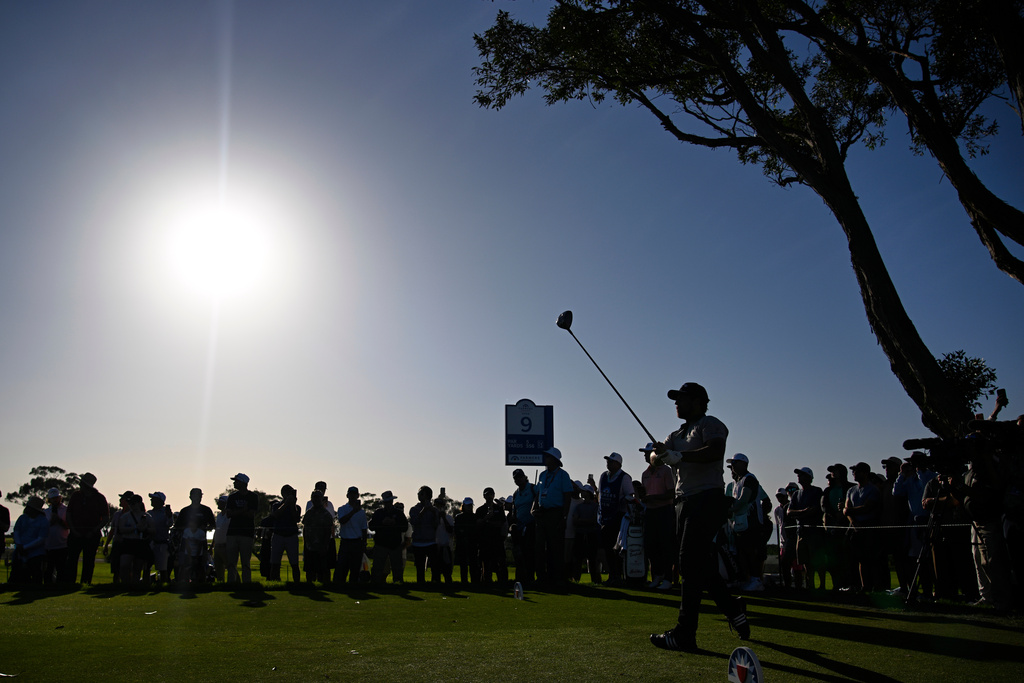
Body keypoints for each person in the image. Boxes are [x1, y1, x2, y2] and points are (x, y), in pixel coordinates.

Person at [649, 382, 748, 652]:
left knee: (687, 560)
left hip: (707, 499)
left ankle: (685, 633)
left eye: (681, 399)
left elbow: (715, 451)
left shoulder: (710, 424)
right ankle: (733, 609)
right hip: (684, 504)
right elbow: (654, 456)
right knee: (700, 564)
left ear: (699, 401)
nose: (676, 404)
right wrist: (659, 455)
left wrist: (679, 456)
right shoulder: (676, 433)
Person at [533, 447, 574, 589]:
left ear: (555, 460)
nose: (545, 459)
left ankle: (557, 578)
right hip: (542, 513)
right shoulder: (542, 475)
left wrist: (564, 517)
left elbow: (567, 496)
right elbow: (538, 494)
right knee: (540, 547)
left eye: (548, 457)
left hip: (556, 513)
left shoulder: (563, 475)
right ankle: (542, 578)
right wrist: (535, 507)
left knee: (555, 547)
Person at [725, 453, 765, 592]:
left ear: (743, 464)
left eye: (735, 463)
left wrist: (730, 510)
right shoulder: (738, 481)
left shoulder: (750, 479)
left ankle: (756, 579)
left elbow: (743, 500)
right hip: (741, 523)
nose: (733, 466)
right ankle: (748, 579)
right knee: (743, 552)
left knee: (751, 552)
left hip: (751, 522)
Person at [640, 443, 675, 590]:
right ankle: (656, 576)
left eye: (647, 453)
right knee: (650, 546)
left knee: (665, 546)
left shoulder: (666, 471)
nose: (645, 455)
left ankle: (668, 578)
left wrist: (654, 498)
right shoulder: (645, 473)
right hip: (650, 512)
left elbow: (671, 493)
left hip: (664, 511)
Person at [596, 452, 634, 587]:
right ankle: (613, 575)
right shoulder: (603, 476)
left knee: (616, 549)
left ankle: (618, 576)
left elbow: (630, 496)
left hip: (619, 517)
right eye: (608, 461)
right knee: (607, 548)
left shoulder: (624, 478)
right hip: (605, 518)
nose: (608, 463)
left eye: (611, 461)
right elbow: (600, 496)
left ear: (618, 464)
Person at [64, 472, 109, 585]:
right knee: (71, 560)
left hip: (92, 536)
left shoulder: (99, 498)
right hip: (75, 534)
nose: (79, 485)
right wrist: (73, 530)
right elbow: (69, 514)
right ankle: (70, 582)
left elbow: (105, 518)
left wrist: (93, 531)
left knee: (89, 560)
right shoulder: (76, 496)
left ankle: (85, 582)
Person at [844, 462, 881, 591]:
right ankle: (859, 585)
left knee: (869, 559)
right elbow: (846, 509)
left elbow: (867, 508)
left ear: (865, 473)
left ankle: (872, 586)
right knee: (856, 559)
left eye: (857, 471)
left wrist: (850, 511)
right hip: (854, 527)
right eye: (854, 471)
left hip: (868, 527)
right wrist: (853, 522)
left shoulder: (873, 490)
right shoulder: (851, 490)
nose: (854, 473)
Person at [788, 467, 825, 590]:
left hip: (814, 531)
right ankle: (810, 585)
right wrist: (803, 511)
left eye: (802, 475)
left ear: (809, 477)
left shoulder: (816, 491)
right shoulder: (796, 494)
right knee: (805, 561)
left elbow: (814, 510)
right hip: (802, 530)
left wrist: (799, 513)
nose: (799, 477)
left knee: (817, 560)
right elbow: (789, 512)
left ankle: (822, 585)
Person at [822, 463, 854, 591]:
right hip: (832, 528)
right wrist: (834, 514)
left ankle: (850, 584)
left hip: (847, 527)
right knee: (833, 559)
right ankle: (837, 584)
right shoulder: (828, 490)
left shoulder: (850, 487)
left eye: (835, 471)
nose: (832, 474)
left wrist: (844, 515)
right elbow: (824, 506)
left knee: (848, 558)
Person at [225, 473, 259, 584]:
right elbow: (228, 514)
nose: (234, 483)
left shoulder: (253, 497)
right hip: (232, 533)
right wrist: (243, 511)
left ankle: (246, 584)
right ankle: (231, 584)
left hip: (246, 533)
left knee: (245, 563)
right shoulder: (232, 497)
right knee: (231, 563)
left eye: (236, 481)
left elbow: (251, 514)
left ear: (243, 483)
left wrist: (237, 512)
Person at [369, 491, 407, 585]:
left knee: (397, 567)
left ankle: (398, 584)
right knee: (377, 567)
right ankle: (375, 584)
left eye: (390, 501)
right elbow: (371, 526)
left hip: (395, 545)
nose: (388, 504)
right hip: (381, 544)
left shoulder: (399, 514)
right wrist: (382, 522)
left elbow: (405, 527)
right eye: (386, 502)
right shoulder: (378, 513)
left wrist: (395, 523)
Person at [11, 496, 49, 584]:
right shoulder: (22, 518)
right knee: (18, 572)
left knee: (35, 572)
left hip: (36, 552)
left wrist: (25, 547)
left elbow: (41, 539)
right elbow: (16, 531)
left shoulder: (43, 521)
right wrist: (19, 545)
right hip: (20, 550)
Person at [335, 486, 368, 585]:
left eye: (354, 494)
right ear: (347, 495)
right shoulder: (342, 509)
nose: (352, 496)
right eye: (351, 494)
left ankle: (353, 586)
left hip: (357, 542)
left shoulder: (362, 513)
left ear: (357, 496)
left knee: (355, 568)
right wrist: (354, 511)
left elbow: (364, 529)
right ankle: (340, 586)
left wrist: (364, 543)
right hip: (345, 541)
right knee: (342, 567)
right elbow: (342, 521)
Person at [269, 484, 302, 583]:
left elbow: (296, 518)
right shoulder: (276, 505)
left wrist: (292, 505)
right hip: (278, 535)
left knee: (294, 563)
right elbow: (276, 515)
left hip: (291, 536)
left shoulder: (297, 507)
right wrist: (286, 503)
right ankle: (275, 582)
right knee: (275, 563)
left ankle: (297, 583)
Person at [510, 469, 537, 586]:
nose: (518, 479)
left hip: (532, 525)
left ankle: (531, 578)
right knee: (521, 555)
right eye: (515, 478)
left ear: (524, 477)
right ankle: (523, 579)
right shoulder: (516, 494)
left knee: (531, 554)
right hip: (520, 527)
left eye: (520, 477)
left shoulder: (532, 488)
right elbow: (514, 511)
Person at [409, 485, 441, 585]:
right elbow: (414, 522)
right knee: (420, 568)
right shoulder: (414, 509)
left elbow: (437, 525)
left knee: (435, 567)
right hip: (418, 543)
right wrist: (423, 511)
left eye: (421, 494)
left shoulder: (434, 510)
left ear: (427, 496)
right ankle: (421, 584)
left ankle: (435, 584)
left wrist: (433, 512)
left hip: (431, 542)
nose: (418, 495)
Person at [302, 490, 336, 584]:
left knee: (324, 569)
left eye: (318, 497)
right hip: (310, 546)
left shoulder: (326, 514)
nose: (316, 500)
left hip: (322, 546)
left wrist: (325, 545)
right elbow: (305, 529)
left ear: (321, 499)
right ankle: (310, 587)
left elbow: (329, 530)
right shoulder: (308, 513)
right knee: (310, 570)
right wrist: (305, 544)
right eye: (314, 497)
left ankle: (325, 585)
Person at [572, 484, 601, 583]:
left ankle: (595, 580)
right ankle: (576, 579)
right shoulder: (579, 506)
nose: (582, 492)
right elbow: (575, 521)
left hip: (591, 535)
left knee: (593, 559)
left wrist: (581, 521)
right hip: (580, 534)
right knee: (578, 559)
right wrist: (586, 521)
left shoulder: (595, 506)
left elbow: (594, 520)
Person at [43, 488, 69, 584]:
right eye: (53, 498)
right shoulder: (46, 512)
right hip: (49, 545)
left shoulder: (65, 510)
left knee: (61, 568)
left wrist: (59, 520)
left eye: (56, 498)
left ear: (60, 498)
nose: (55, 500)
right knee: (48, 569)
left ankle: (60, 586)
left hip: (62, 544)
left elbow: (68, 526)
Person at [148, 492, 174, 586]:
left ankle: (163, 585)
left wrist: (169, 516)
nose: (151, 500)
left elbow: (169, 524)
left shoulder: (165, 513)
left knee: (162, 568)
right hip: (151, 543)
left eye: (154, 499)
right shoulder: (149, 513)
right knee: (147, 566)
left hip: (161, 544)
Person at [774, 486, 797, 589]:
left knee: (795, 565)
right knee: (785, 564)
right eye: (778, 496)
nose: (780, 498)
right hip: (783, 540)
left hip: (791, 539)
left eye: (781, 496)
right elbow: (779, 524)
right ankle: (787, 585)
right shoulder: (777, 510)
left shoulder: (790, 506)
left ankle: (798, 585)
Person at [453, 497, 479, 584]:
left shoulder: (475, 517)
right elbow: (457, 531)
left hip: (472, 544)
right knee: (463, 565)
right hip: (462, 544)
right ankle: (464, 582)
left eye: (470, 506)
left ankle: (474, 582)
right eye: (468, 505)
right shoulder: (458, 517)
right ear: (463, 506)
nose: (469, 507)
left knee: (473, 565)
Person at [434, 496, 455, 584]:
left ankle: (448, 584)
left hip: (445, 546)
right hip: (435, 546)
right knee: (435, 570)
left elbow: (450, 531)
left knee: (447, 570)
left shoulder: (449, 518)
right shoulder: (432, 518)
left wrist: (444, 518)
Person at [213, 495, 230, 582]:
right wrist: (213, 544)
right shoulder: (219, 516)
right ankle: (221, 583)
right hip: (217, 545)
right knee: (218, 568)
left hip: (225, 545)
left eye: (221, 502)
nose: (218, 504)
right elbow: (216, 530)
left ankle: (235, 583)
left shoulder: (229, 515)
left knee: (230, 567)